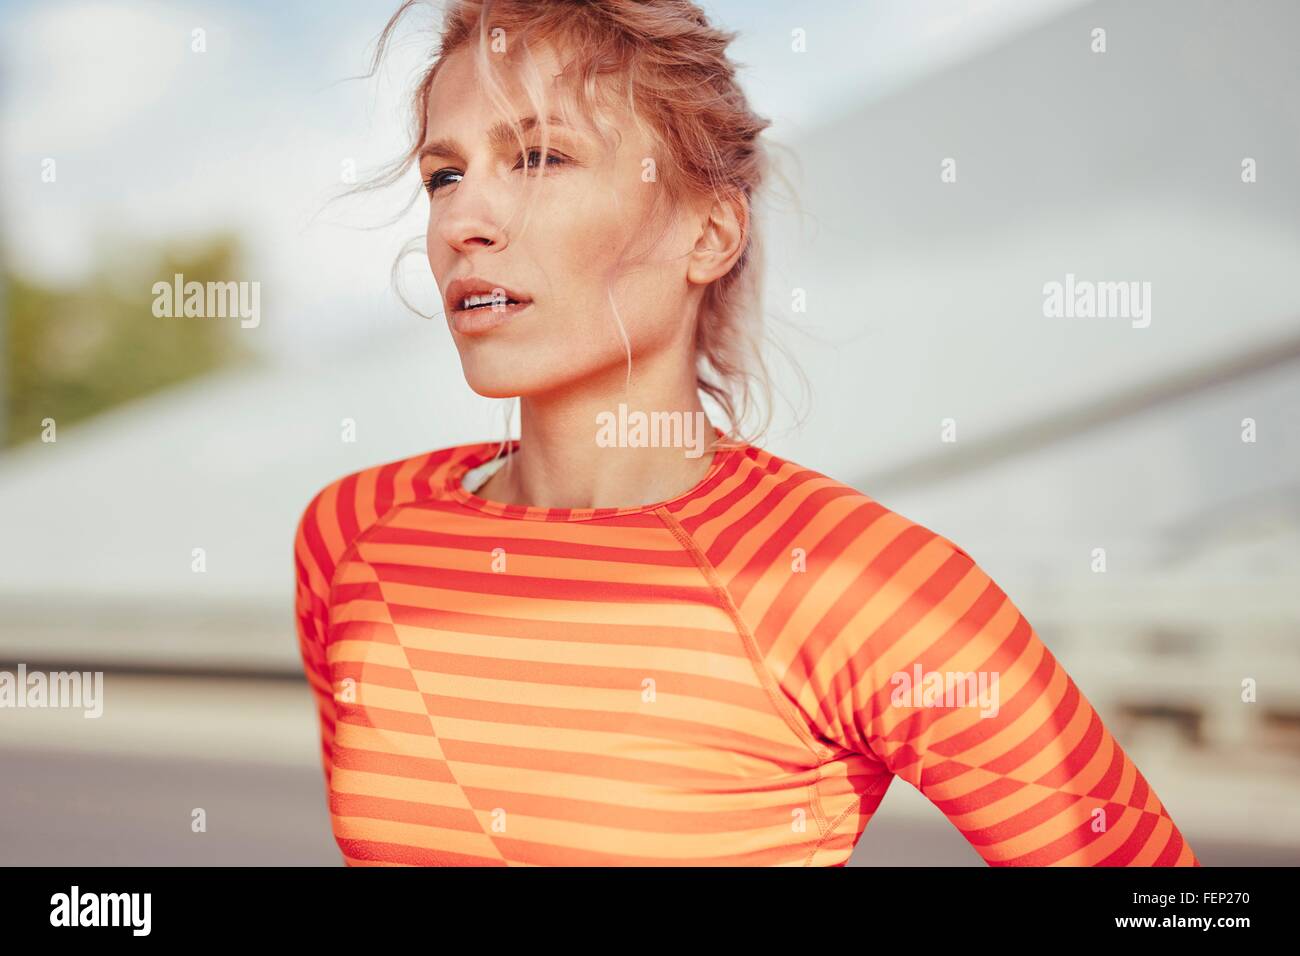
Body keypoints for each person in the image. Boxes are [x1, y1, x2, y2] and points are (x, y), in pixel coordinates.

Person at [293, 0, 1199, 866]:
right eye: (443, 175)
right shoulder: (352, 533)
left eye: (538, 158)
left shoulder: (862, 582)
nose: (461, 222)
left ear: (709, 231)